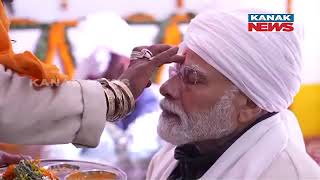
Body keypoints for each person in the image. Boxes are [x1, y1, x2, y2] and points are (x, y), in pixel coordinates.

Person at [0, 0, 183, 164]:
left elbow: (143, 150)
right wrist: (115, 97)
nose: (123, 68)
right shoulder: (83, 88)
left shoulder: (151, 103)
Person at [146, 9, 320, 180]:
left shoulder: (293, 175)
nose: (166, 88)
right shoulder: (168, 158)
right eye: (176, 71)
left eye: (191, 77)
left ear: (250, 104)